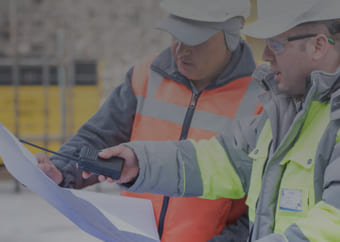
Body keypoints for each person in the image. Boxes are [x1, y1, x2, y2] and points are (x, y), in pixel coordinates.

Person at [87, 0, 340, 241]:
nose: (265, 55)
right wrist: (140, 163)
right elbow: (220, 160)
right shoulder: (285, 112)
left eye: (276, 45)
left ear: (318, 46)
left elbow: (333, 223)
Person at [36, 0, 263, 241]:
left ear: (232, 36)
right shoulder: (146, 76)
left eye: (195, 41)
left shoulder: (263, 98)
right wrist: (61, 170)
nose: (181, 49)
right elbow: (99, 137)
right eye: (176, 36)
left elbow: (261, 207)